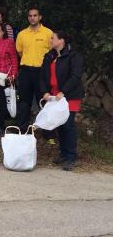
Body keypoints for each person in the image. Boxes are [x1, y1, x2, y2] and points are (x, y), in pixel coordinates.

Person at [40, 31, 84, 171]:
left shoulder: (74, 56)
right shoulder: (49, 56)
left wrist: (63, 91)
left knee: (68, 125)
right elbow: (43, 76)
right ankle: (63, 154)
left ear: (61, 41)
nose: (50, 40)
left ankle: (71, 157)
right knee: (59, 125)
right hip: (55, 97)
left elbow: (75, 76)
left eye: (53, 38)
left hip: (69, 96)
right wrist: (45, 92)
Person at [15, 7, 54, 142]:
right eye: (30, 16)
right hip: (25, 71)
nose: (32, 18)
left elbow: (52, 52)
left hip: (41, 73)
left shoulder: (48, 33)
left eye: (35, 15)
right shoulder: (22, 34)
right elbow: (20, 53)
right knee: (24, 102)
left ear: (40, 17)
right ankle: (23, 131)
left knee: (44, 102)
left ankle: (48, 135)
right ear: (28, 18)